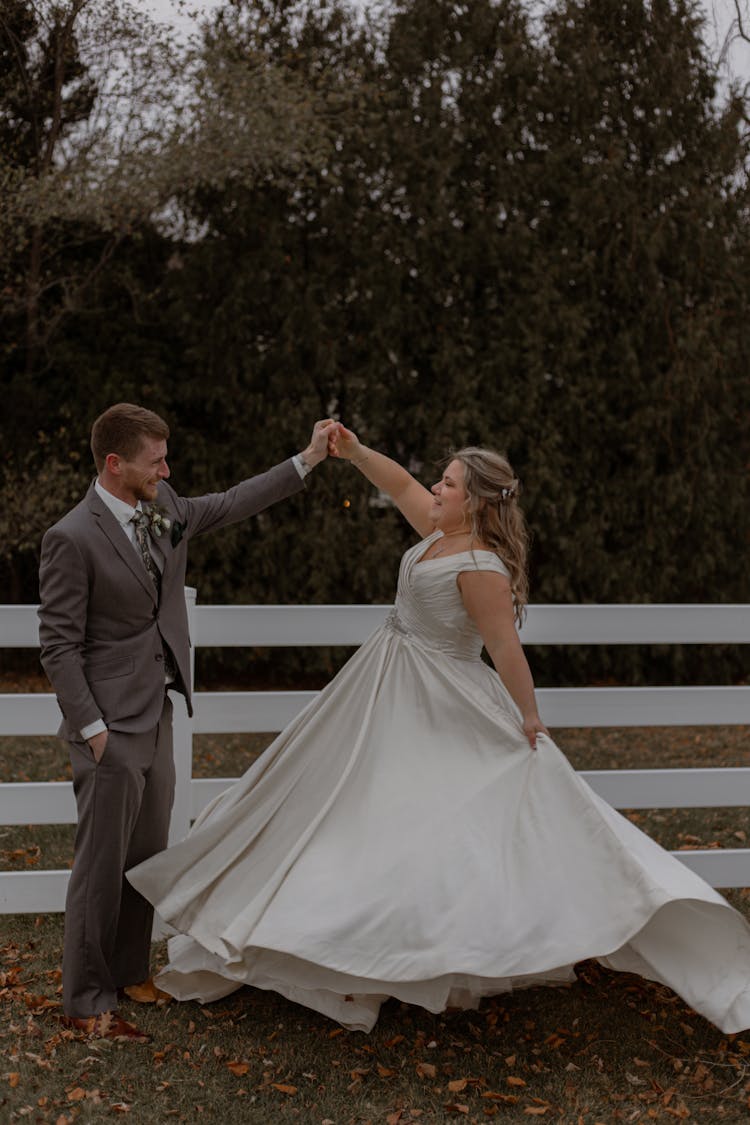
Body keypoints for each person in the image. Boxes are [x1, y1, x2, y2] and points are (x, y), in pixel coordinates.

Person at [128, 424, 750, 1034]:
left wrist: (530, 717)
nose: (436, 488)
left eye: (448, 483)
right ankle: (337, 944)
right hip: (384, 682)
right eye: (441, 480)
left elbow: (505, 649)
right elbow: (398, 483)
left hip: (437, 696)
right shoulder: (438, 529)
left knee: (423, 826)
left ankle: (410, 951)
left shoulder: (481, 565)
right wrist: (354, 450)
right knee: (336, 806)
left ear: (475, 500)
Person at [38, 403, 337, 1042]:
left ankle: (126, 972)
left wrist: (306, 460)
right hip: (108, 731)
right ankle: (87, 999)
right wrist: (93, 730)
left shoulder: (164, 505)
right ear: (115, 465)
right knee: (100, 865)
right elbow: (59, 646)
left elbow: (229, 503)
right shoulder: (71, 537)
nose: (166, 469)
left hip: (159, 714)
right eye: (156, 460)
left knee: (146, 855)